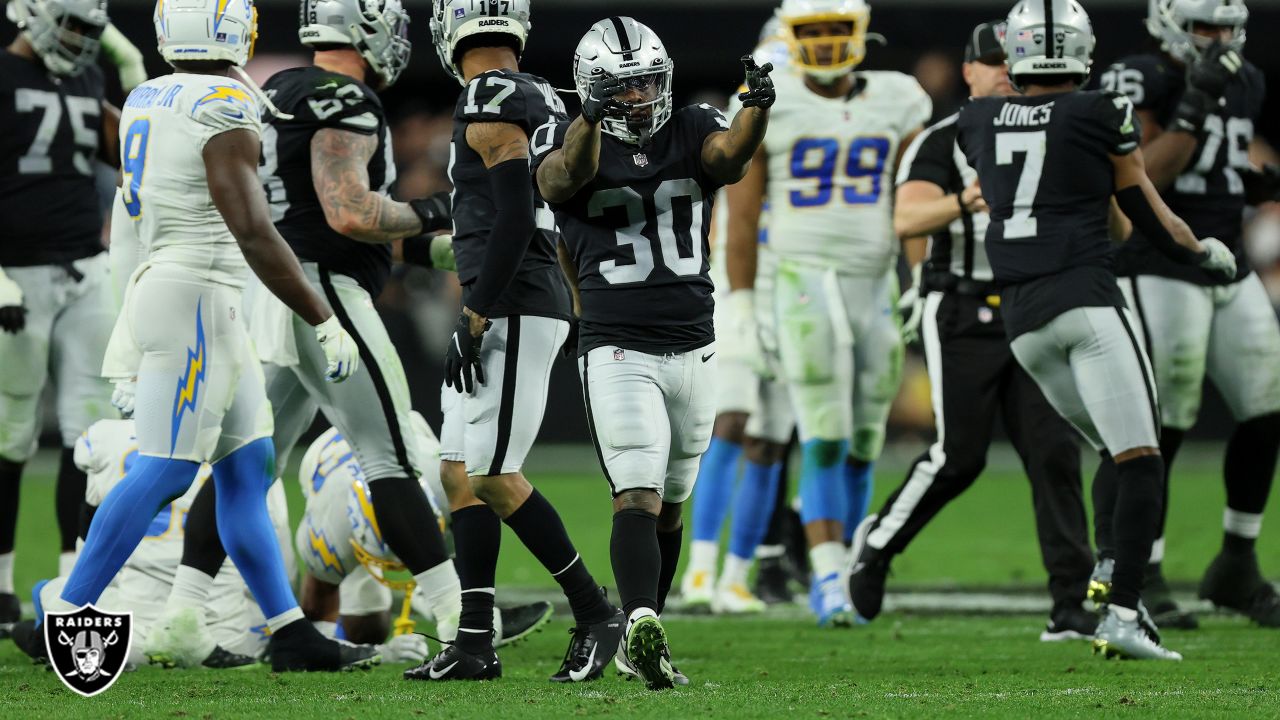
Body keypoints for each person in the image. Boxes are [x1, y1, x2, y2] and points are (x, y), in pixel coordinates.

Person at [51, 0, 377, 673]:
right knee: (167, 468)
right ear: (231, 27)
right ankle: (72, 612)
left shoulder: (147, 95)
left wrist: (127, 326)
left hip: (179, 292)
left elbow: (128, 212)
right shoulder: (224, 101)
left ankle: (287, 628)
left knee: (246, 468)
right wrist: (322, 316)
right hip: (197, 294)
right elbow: (253, 229)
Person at [955, 0, 1237, 660]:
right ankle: (1124, 612)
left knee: (1118, 450)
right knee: (1143, 460)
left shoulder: (976, 118)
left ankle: (1109, 568)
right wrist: (1203, 255)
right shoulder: (1101, 110)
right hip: (1084, 301)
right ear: (1083, 51)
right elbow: (1142, 208)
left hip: (1024, 321)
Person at [534, 16, 772, 689]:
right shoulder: (564, 132)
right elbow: (558, 182)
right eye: (622, 86)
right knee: (634, 493)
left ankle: (648, 631)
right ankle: (637, 612)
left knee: (671, 503)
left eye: (646, 83)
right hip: (617, 344)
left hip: (694, 342)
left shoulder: (693, 123)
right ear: (590, 87)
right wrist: (591, 118)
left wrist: (755, 109)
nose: (638, 97)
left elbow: (730, 158)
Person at [847, 20, 1097, 642]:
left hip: (1031, 303)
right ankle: (877, 545)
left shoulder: (1059, 129)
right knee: (959, 456)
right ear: (969, 72)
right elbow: (907, 218)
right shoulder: (943, 138)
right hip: (959, 306)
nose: (1007, 71)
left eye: (1016, 59)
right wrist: (969, 198)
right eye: (993, 61)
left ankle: (1070, 601)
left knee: (1056, 451)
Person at [414, 0, 622, 683]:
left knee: (492, 477)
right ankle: (474, 637)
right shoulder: (540, 95)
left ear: (452, 28)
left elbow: (510, 211)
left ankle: (596, 613)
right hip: (522, 292)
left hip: (511, 301)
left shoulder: (489, 92)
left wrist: (476, 310)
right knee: (457, 472)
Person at [725, 0, 931, 627]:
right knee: (824, 430)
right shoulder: (771, 97)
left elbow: (915, 195)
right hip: (801, 280)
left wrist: (921, 276)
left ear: (861, 31)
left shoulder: (900, 98)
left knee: (866, 440)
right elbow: (741, 212)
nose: (824, 44)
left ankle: (851, 562)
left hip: (873, 281)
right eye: (811, 32)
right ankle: (828, 577)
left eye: (835, 30)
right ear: (790, 36)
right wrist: (741, 300)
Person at [1098, 0, 1280, 628]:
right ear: (1171, 23)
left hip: (1227, 256)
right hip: (1161, 259)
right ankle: (1140, 569)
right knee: (1167, 416)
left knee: (1266, 406)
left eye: (1229, 27)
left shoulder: (1246, 79)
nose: (1221, 40)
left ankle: (1237, 559)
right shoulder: (1138, 76)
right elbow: (1136, 178)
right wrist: (1194, 105)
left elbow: (1212, 166)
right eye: (1207, 26)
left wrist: (1249, 185)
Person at [0, 0, 119, 625]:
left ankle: (75, 583)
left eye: (89, 30)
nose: (78, 40)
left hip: (84, 266)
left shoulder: (87, 76)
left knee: (90, 433)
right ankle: (1, 581)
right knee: (12, 432)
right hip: (15, 275)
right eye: (70, 24)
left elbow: (126, 151)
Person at [9, 417, 293, 668]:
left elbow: (94, 543)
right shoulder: (252, 450)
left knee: (54, 591)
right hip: (225, 641)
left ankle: (44, 630)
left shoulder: (107, 436)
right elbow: (279, 564)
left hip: (123, 641)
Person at [681, 16, 797, 616]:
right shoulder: (751, 115)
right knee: (732, 419)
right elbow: (743, 217)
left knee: (773, 436)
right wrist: (744, 299)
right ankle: (701, 570)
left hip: (800, 286)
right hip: (745, 283)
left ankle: (737, 575)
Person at [293, 418, 554, 653]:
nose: (406, 563)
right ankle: (432, 598)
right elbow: (318, 626)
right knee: (368, 629)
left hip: (412, 437)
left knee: (466, 529)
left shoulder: (444, 479)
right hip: (323, 461)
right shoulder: (327, 532)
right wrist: (372, 653)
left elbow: (479, 526)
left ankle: (443, 602)